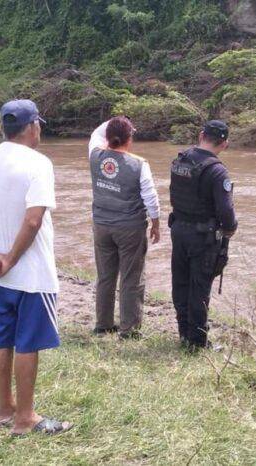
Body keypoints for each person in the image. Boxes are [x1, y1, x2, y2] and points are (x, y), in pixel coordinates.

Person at [0, 99, 72, 436]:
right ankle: (25, 418)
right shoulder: (38, 163)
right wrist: (11, 257)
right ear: (33, 126)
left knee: (2, 339)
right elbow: (34, 219)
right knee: (28, 343)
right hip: (31, 274)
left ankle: (4, 407)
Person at [88, 116, 160, 340]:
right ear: (129, 138)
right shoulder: (138, 164)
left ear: (108, 137)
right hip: (130, 228)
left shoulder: (95, 155)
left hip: (101, 225)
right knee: (131, 278)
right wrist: (156, 223)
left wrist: (114, 121)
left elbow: (95, 134)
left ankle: (103, 325)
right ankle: (129, 330)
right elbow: (151, 198)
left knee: (105, 276)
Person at [169, 120, 237, 351]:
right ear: (225, 144)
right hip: (203, 237)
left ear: (201, 135)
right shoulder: (217, 171)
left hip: (178, 230)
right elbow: (226, 212)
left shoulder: (180, 160)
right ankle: (197, 343)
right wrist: (230, 229)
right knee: (199, 289)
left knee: (180, 283)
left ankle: (184, 334)